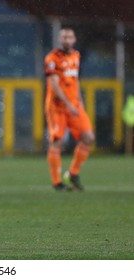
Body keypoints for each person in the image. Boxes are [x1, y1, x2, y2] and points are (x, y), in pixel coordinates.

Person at [45, 28, 95, 191]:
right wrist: (68, 105)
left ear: (74, 39)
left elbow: (75, 80)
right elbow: (54, 84)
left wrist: (79, 100)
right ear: (60, 39)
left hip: (74, 105)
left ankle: (73, 173)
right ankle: (57, 182)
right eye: (64, 37)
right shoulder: (52, 58)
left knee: (88, 137)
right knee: (58, 141)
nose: (67, 39)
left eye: (70, 37)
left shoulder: (76, 56)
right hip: (57, 107)